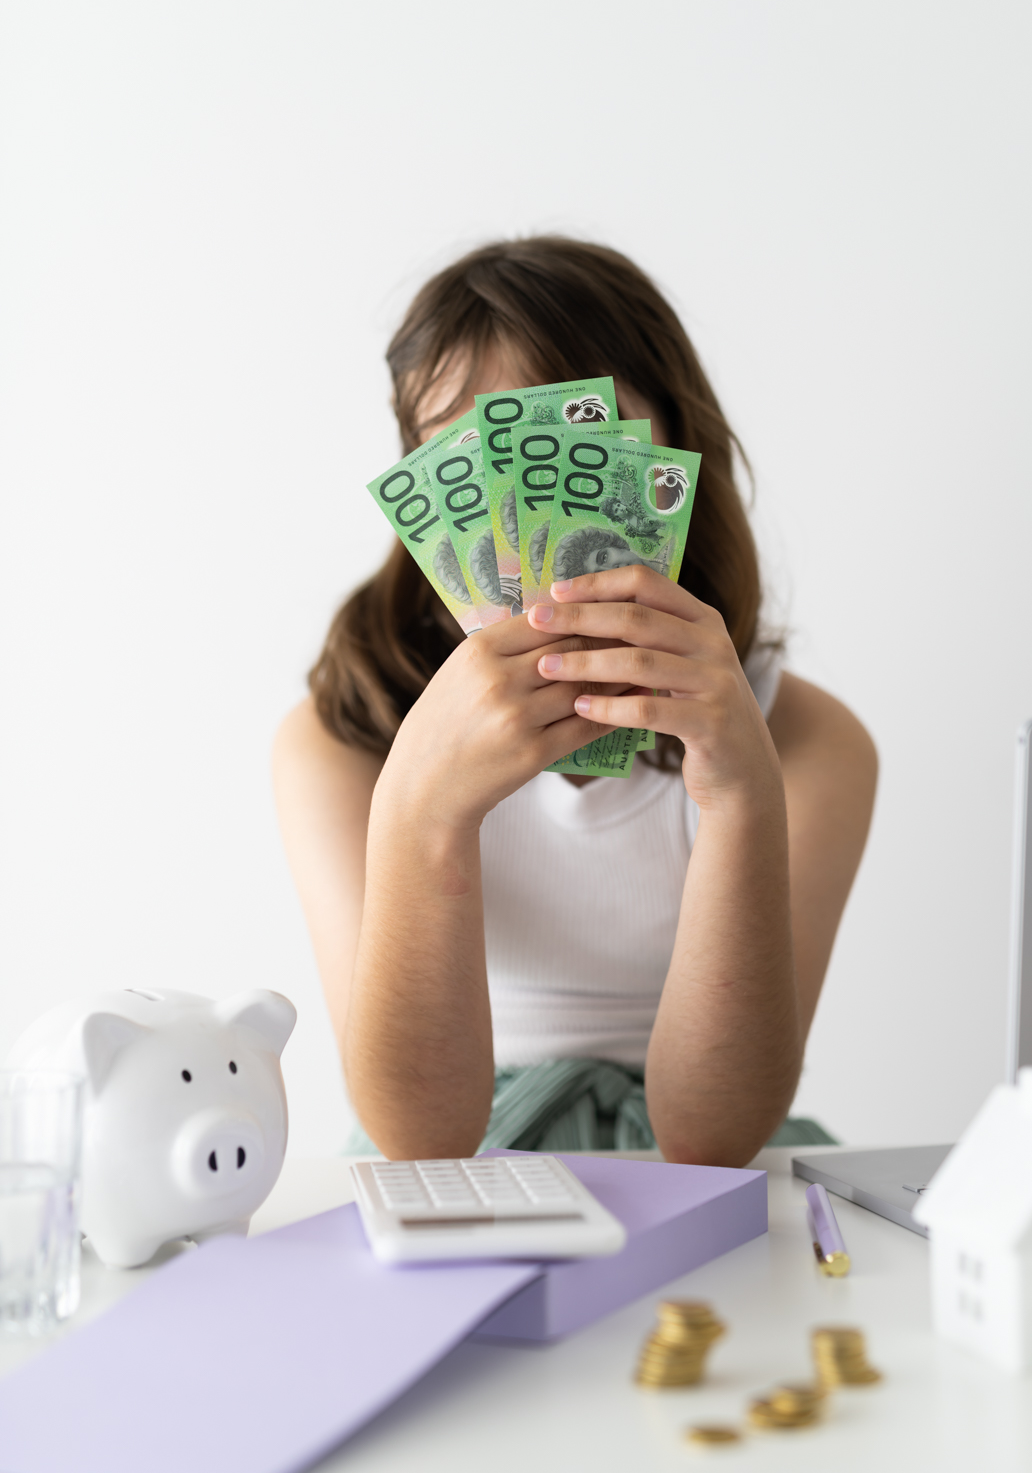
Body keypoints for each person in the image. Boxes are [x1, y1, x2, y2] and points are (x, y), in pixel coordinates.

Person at [272, 236, 878, 1166]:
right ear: (426, 495)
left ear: (672, 461)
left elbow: (713, 1135)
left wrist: (738, 792)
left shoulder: (809, 742)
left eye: (565, 440)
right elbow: (418, 1139)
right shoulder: (339, 741)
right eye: (469, 456)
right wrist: (418, 808)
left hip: (695, 1169)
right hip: (462, 1165)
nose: (520, 504)